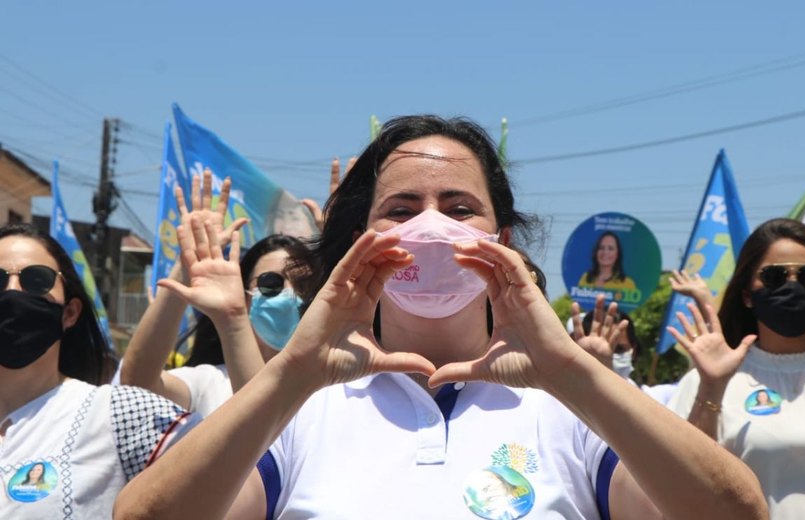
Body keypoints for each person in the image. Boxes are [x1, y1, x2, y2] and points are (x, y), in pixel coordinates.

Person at [114, 115, 766, 520]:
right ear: (362, 238)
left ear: (502, 238)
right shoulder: (303, 408)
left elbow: (736, 512)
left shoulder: (572, 408)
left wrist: (571, 371)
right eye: (401, 209)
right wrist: (290, 377)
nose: (430, 226)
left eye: (459, 208)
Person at [0, 223, 199, 518]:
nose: (13, 291)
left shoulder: (116, 412)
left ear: (70, 313)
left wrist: (231, 319)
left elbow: (240, 485)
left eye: (37, 280)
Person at [667, 218, 805, 518]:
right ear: (747, 294)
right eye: (774, 276)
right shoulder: (706, 381)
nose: (793, 285)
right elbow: (678, 483)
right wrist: (712, 388)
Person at [120, 172, 321, 416]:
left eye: (304, 285)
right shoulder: (210, 382)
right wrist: (186, 267)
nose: (289, 294)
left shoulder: (334, 383)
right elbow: (138, 382)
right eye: (271, 284)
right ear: (244, 297)